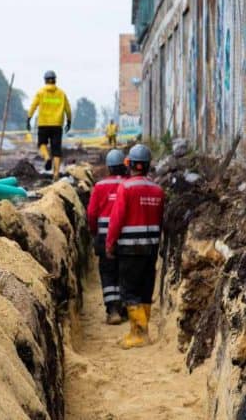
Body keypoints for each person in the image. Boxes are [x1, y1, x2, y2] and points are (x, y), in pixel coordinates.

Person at [105, 144, 165, 349]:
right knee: (145, 290)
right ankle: (143, 331)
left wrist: (110, 243)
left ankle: (138, 333)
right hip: (151, 248)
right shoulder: (158, 189)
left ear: (129, 164)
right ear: (148, 166)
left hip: (130, 250)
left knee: (130, 292)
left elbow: (117, 218)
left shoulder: (126, 187)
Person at [87, 149, 129, 324]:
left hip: (104, 236)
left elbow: (91, 213)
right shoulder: (129, 184)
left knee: (108, 272)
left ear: (109, 168)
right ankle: (124, 306)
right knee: (124, 271)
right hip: (128, 238)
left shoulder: (100, 186)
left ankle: (112, 310)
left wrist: (94, 232)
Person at [27, 70, 71, 181]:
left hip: (43, 124)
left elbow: (33, 105)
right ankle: (55, 175)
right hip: (57, 125)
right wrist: (69, 121)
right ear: (55, 80)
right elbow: (68, 108)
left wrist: (28, 118)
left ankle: (47, 157)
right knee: (56, 150)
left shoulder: (40, 92)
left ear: (45, 80)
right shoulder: (61, 93)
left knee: (42, 143)